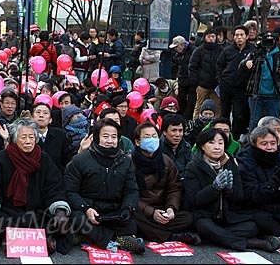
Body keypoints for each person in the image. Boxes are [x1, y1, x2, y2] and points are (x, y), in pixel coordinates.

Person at [0, 118, 73, 254]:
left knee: (59, 219)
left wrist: (60, 211)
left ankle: (14, 240)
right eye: (23, 137)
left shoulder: (44, 159)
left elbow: (54, 188)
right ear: (14, 139)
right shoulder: (0, 159)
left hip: (36, 211)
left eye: (31, 137)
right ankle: (18, 239)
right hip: (8, 210)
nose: (28, 141)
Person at [184, 127, 280, 252]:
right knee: (204, 226)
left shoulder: (229, 162)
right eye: (211, 142)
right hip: (205, 215)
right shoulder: (193, 166)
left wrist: (229, 190)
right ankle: (249, 243)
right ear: (202, 146)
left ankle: (214, 237)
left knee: (251, 227)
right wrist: (214, 188)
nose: (217, 147)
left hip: (228, 217)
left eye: (220, 143)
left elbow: (240, 197)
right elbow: (194, 200)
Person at [64, 118, 145, 254]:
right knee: (76, 219)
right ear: (97, 138)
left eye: (114, 137)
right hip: (89, 210)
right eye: (105, 136)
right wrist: (86, 209)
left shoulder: (126, 161)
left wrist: (127, 208)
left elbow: (131, 190)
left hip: (114, 211)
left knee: (133, 223)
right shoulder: (80, 160)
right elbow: (70, 192)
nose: (110, 140)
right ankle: (118, 241)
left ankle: (89, 237)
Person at [131, 122, 200, 245]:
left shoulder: (166, 161)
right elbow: (129, 194)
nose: (152, 140)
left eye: (154, 136)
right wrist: (151, 212)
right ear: (137, 142)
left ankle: (151, 232)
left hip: (161, 209)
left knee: (188, 218)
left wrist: (171, 208)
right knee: (132, 216)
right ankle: (170, 236)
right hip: (141, 209)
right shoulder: (129, 163)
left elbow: (174, 188)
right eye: (147, 137)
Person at [237, 126, 280, 246]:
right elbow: (248, 197)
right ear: (254, 145)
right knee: (259, 221)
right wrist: (271, 185)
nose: (269, 147)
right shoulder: (245, 163)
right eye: (264, 143)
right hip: (259, 210)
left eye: (273, 143)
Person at [240, 31, 280, 133]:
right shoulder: (256, 54)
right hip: (256, 94)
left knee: (274, 122)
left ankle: (274, 142)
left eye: (270, 41)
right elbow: (241, 66)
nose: (268, 44)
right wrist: (247, 63)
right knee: (254, 121)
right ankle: (252, 143)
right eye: (266, 41)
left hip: (274, 95)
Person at [216, 25, 254, 140]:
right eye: (236, 35)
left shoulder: (252, 50)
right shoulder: (227, 50)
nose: (239, 38)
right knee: (224, 113)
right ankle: (222, 136)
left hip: (242, 87)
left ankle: (235, 138)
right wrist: (220, 79)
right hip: (226, 85)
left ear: (247, 36)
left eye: (241, 35)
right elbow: (219, 65)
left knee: (238, 115)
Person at [189, 28, 222, 120]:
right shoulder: (199, 51)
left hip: (216, 85)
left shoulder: (221, 50)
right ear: (205, 38)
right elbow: (192, 67)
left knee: (218, 107)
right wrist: (196, 82)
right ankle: (195, 124)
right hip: (202, 84)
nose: (211, 39)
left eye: (213, 36)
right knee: (199, 106)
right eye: (208, 36)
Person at [32, 102, 73, 173]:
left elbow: (68, 160)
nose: (41, 115)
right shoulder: (26, 136)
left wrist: (81, 149)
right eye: (38, 112)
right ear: (32, 118)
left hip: (56, 179)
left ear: (50, 120)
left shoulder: (60, 135)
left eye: (45, 113)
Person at [169, 35, 197, 120]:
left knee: (191, 101)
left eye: (176, 47)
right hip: (182, 80)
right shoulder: (178, 54)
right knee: (181, 99)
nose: (176, 49)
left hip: (192, 81)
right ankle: (182, 117)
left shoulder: (194, 51)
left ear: (181, 45)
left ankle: (187, 118)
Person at [159, 114, 193, 182]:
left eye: (180, 131)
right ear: (165, 132)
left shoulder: (186, 147)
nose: (177, 135)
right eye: (174, 130)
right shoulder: (157, 148)